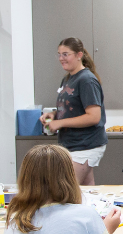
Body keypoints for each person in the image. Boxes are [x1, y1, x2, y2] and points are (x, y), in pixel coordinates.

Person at [40, 37, 106, 186]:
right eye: (59, 54)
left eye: (66, 54)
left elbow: (94, 116)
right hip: (71, 145)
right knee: (86, 192)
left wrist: (60, 122)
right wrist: (54, 114)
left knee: (67, 190)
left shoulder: (87, 80)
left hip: (85, 145)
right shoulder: (68, 79)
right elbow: (72, 107)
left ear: (79, 55)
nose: (61, 58)